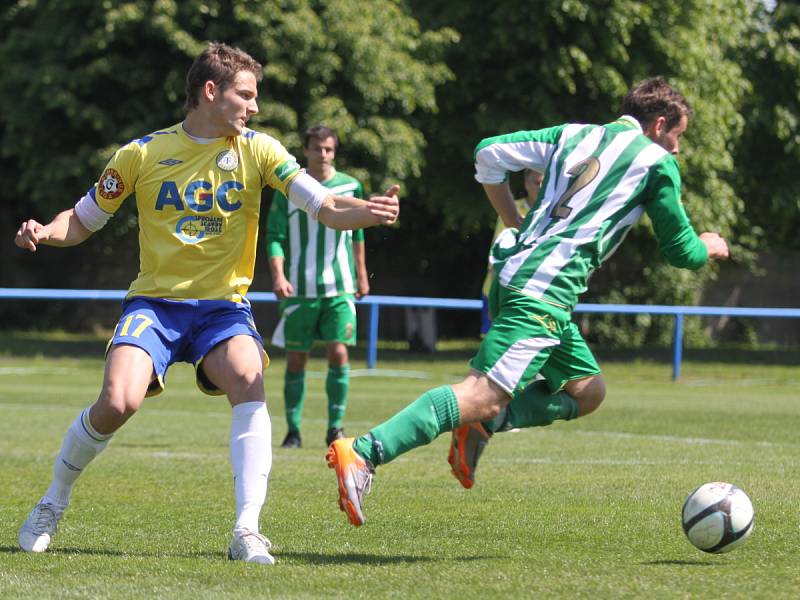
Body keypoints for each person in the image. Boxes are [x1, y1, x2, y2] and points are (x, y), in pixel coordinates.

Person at [13, 42, 399, 562]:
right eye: (246, 95)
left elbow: (326, 205)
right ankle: (52, 501)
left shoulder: (260, 150)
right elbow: (82, 219)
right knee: (118, 402)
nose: (255, 108)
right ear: (210, 92)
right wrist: (45, 231)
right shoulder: (141, 154)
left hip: (222, 308)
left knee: (248, 377)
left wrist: (368, 211)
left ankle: (246, 531)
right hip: (155, 305)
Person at [325, 76, 729, 527]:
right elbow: (681, 251)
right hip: (544, 292)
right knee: (482, 393)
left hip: (518, 279)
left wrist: (514, 222)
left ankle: (481, 426)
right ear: (659, 125)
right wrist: (709, 245)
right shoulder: (656, 162)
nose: (677, 150)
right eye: (678, 137)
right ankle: (364, 451)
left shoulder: (573, 135)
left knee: (587, 390)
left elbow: (487, 153)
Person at [267, 126, 368, 449]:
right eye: (317, 148)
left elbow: (359, 235)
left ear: (334, 152)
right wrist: (279, 276)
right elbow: (275, 236)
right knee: (297, 358)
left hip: (339, 286)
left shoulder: (351, 185)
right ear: (306, 150)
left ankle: (335, 428)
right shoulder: (290, 188)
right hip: (300, 288)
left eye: (328, 149)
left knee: (338, 352)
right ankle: (293, 430)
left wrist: (362, 274)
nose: (323, 154)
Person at [480, 168, 544, 334]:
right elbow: (499, 251)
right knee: (493, 345)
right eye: (536, 182)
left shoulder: (553, 214)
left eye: (544, 182)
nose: (540, 187)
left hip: (534, 293)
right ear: (526, 183)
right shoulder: (510, 209)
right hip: (500, 289)